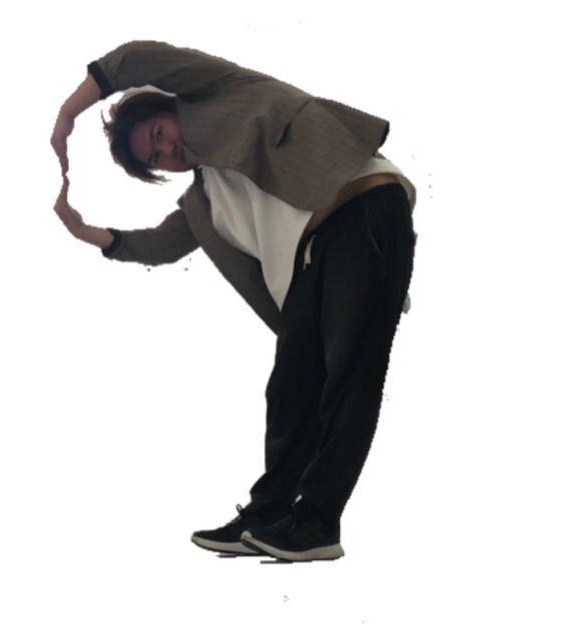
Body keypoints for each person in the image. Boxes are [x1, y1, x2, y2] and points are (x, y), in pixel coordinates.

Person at [51, 40, 416, 562]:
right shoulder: (204, 200)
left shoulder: (220, 92)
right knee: (290, 386)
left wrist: (68, 113)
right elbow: (163, 243)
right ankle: (268, 513)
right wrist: (84, 231)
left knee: (350, 373)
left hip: (365, 206)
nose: (167, 151)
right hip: (313, 256)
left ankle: (318, 522)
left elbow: (138, 58)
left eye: (159, 134)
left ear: (169, 107)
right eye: (155, 158)